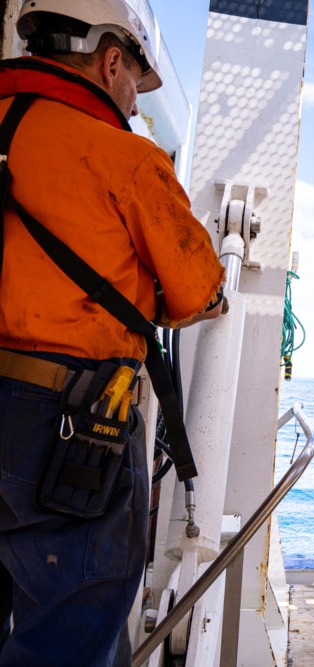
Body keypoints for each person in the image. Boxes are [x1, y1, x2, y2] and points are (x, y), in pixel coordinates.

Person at [0, 1, 225, 664]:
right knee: (76, 609)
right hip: (68, 424)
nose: (133, 99)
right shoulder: (126, 157)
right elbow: (200, 290)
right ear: (111, 60)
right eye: (134, 82)